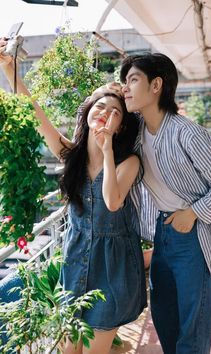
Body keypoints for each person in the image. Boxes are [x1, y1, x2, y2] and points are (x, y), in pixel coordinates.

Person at [0, 39, 147, 354]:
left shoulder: (129, 162)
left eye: (115, 112)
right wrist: (9, 69)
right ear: (89, 112)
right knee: (68, 351)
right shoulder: (71, 155)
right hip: (76, 259)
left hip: (114, 266)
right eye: (100, 106)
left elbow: (112, 201)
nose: (105, 113)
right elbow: (36, 114)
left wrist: (107, 151)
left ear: (121, 127)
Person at [119, 53, 211, 354]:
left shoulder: (187, 133)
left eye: (133, 79)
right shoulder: (136, 134)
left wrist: (195, 212)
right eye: (124, 81)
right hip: (163, 232)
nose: (125, 88)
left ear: (156, 84)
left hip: (193, 235)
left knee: (192, 332)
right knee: (165, 320)